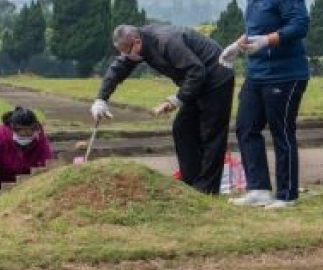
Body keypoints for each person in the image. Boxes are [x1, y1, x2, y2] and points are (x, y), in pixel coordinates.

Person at [90, 23, 235, 195]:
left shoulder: (166, 41)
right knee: (182, 128)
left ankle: (207, 189)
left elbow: (196, 71)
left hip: (216, 76)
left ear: (136, 41)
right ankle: (190, 180)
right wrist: (101, 99)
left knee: (211, 134)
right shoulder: (139, 46)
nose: (125, 56)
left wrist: (176, 100)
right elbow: (118, 68)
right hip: (195, 81)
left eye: (127, 51)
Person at [225, 0, 310, 209]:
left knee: (281, 132)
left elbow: (299, 26)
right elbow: (255, 28)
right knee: (246, 126)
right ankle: (259, 188)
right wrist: (236, 46)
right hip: (257, 73)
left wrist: (267, 41)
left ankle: (287, 195)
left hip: (285, 74)